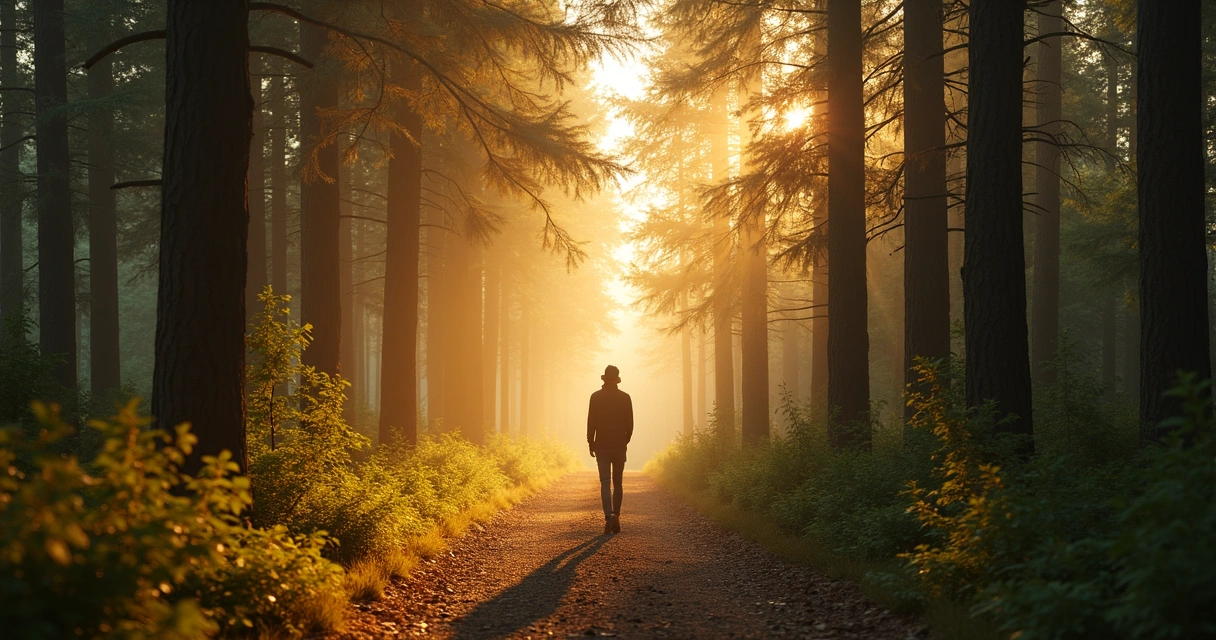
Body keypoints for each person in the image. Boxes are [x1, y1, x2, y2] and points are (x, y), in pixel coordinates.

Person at [587, 364, 633, 534]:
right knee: (618, 482)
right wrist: (624, 442)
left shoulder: (595, 397)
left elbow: (591, 422)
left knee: (605, 482)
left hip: (602, 445)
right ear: (617, 379)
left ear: (604, 378)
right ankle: (616, 515)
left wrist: (590, 442)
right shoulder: (625, 397)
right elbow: (630, 425)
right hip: (619, 445)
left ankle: (608, 517)